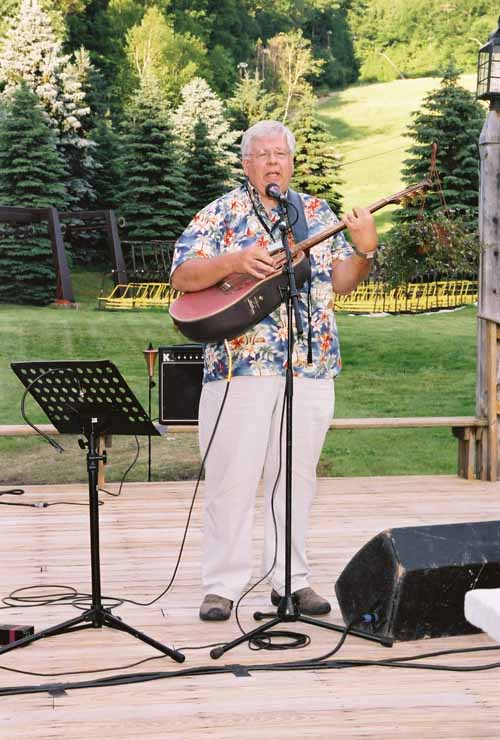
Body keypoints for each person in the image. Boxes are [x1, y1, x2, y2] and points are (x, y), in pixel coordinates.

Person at [170, 119, 378, 621]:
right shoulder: (222, 213)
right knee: (232, 479)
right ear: (246, 164)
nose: (271, 163)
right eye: (261, 155)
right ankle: (222, 586)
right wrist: (233, 262)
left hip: (310, 366)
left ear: (291, 162)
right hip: (240, 369)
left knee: (297, 479)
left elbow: (342, 281)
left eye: (279, 155)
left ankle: (292, 580)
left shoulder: (315, 213)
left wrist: (366, 249)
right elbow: (182, 275)